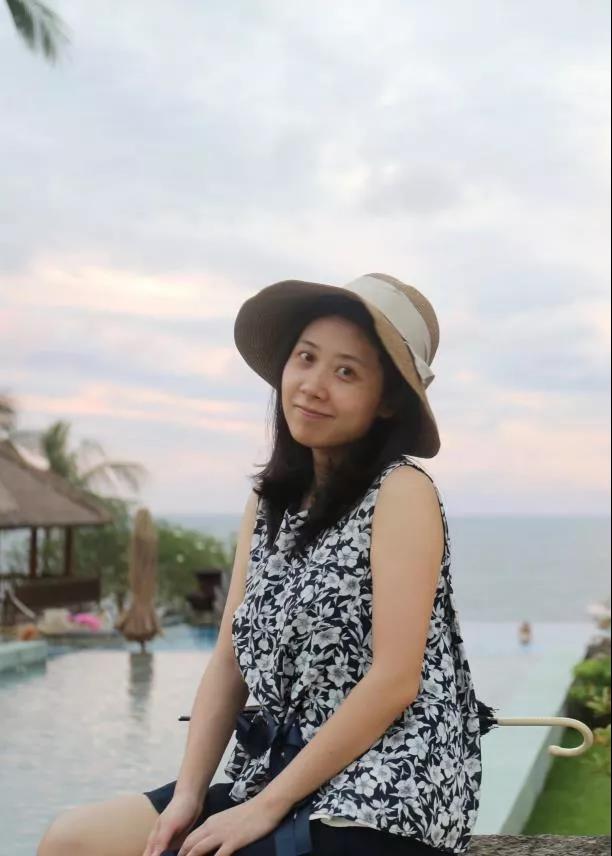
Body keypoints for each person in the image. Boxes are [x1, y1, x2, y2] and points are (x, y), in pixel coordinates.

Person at [38, 273, 482, 856]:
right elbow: (228, 660)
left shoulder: (402, 491)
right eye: (306, 358)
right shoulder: (269, 503)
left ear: (387, 401)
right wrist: (188, 796)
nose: (313, 386)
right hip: (278, 775)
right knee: (72, 840)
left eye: (346, 372)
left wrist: (265, 808)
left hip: (386, 792)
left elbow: (395, 680)